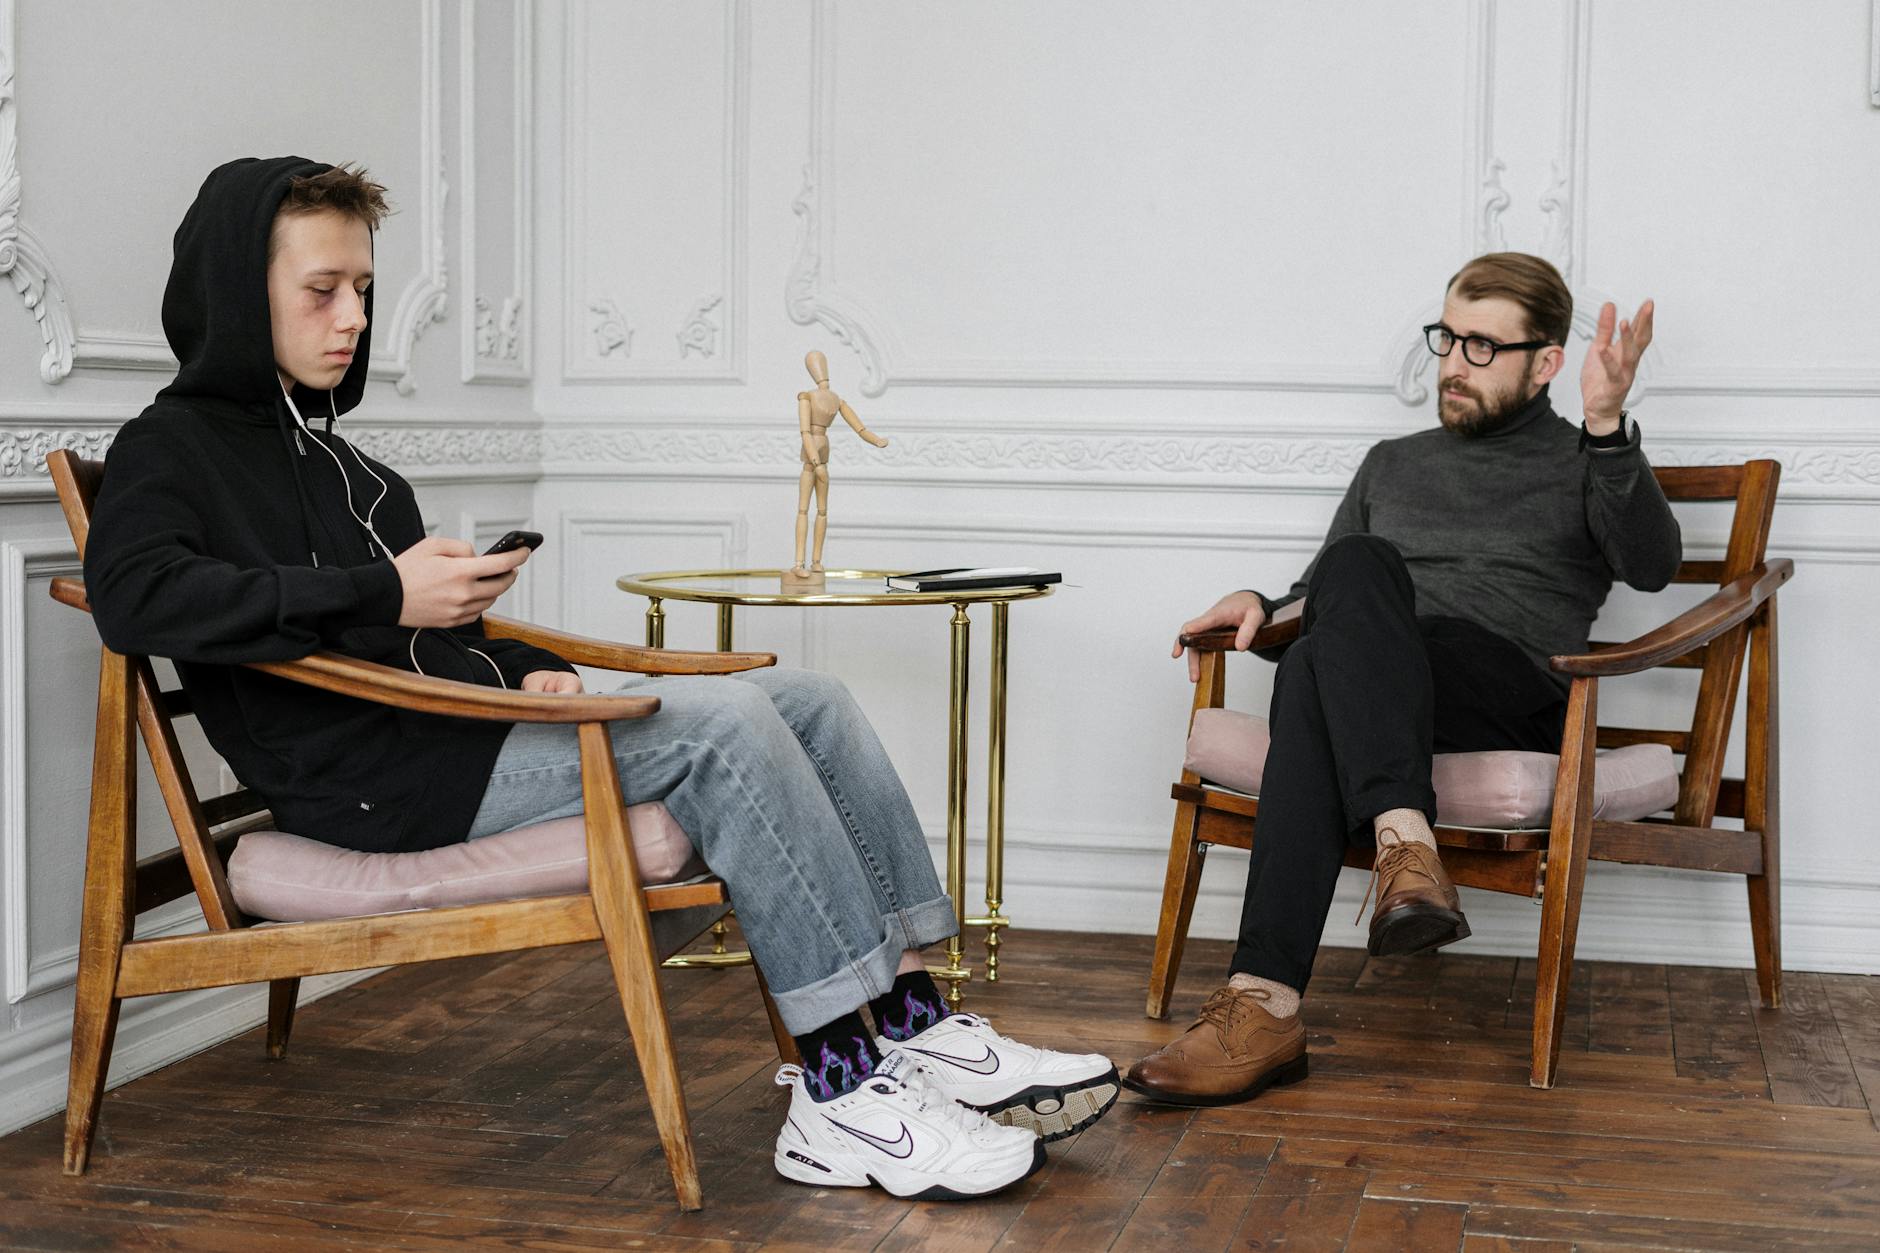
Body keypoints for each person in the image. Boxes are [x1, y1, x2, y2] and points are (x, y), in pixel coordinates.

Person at [83, 156, 1118, 1199]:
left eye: (362, 287)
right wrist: (383, 594)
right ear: (233, 290)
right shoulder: (168, 448)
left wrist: (534, 669)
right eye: (321, 289)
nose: (352, 315)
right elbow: (136, 597)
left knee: (812, 698)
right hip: (378, 785)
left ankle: (910, 1019)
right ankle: (838, 1090)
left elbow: (446, 640)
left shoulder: (350, 467)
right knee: (722, 725)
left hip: (456, 733)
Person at [1124, 253, 1681, 1107]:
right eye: (1448, 338)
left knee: (1338, 622)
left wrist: (1607, 426)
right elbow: (1326, 604)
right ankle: (1380, 873)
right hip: (1385, 690)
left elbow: (1652, 564)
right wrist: (1260, 603)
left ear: (1547, 363)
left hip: (1508, 690)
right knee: (1334, 607)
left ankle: (1266, 997)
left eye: (1484, 347)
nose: (1453, 363)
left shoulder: (1583, 462)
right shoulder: (1392, 462)